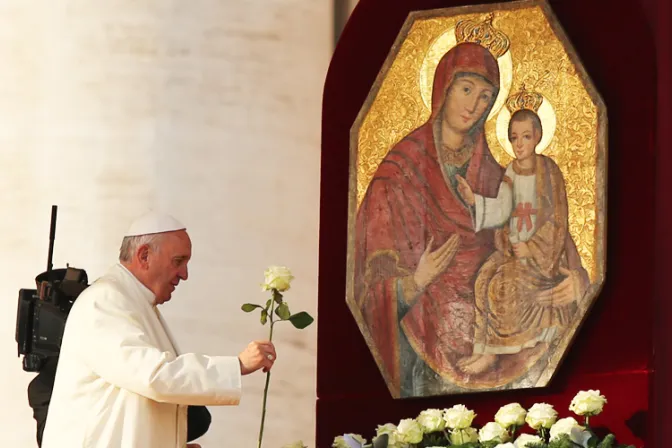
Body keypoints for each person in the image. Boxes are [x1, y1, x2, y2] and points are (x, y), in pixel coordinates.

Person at [354, 40, 580, 397]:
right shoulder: (398, 172)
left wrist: (577, 281)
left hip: (508, 322)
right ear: (443, 86)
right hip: (422, 345)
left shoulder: (497, 172)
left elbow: (544, 218)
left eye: (486, 97)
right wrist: (414, 282)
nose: (474, 105)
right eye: (466, 89)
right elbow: (368, 284)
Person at [41, 211, 277, 448]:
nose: (184, 274)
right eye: (178, 261)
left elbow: (134, 401)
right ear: (144, 255)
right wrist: (237, 366)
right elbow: (154, 376)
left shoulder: (133, 302)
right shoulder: (104, 300)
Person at [455, 105, 589, 375]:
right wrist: (475, 201)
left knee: (502, 286)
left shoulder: (549, 171)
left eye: (526, 137)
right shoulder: (511, 171)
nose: (519, 144)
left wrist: (532, 247)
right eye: (514, 137)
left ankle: (495, 351)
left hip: (544, 254)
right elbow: (503, 209)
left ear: (538, 136)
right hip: (513, 249)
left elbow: (558, 217)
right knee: (482, 279)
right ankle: (481, 349)